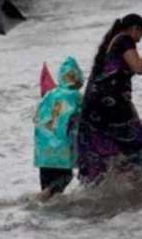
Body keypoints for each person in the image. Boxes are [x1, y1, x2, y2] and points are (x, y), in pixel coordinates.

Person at [76, 14, 142, 187]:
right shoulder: (124, 40)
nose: (139, 41)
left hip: (98, 105)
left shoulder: (112, 43)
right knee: (140, 142)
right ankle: (137, 186)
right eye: (140, 35)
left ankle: (110, 190)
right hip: (109, 106)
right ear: (134, 29)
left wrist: (132, 110)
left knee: (110, 146)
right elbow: (139, 67)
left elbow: (116, 81)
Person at [34, 57, 84, 201]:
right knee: (65, 177)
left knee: (48, 192)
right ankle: (44, 196)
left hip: (42, 152)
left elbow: (36, 118)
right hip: (61, 150)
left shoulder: (49, 94)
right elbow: (85, 118)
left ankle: (46, 206)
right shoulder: (75, 96)